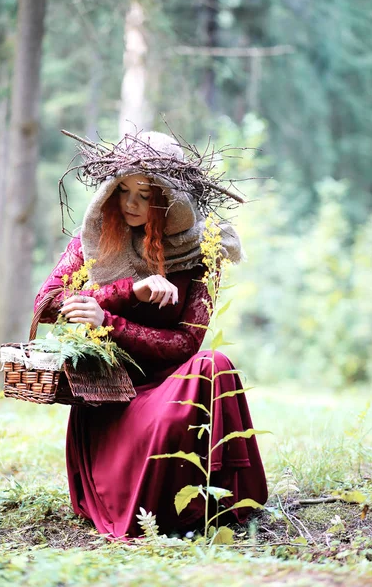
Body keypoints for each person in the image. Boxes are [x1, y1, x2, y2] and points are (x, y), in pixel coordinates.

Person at [35, 131, 268, 540]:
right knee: (205, 370)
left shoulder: (204, 249)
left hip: (174, 389)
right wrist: (122, 293)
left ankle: (215, 502)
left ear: (169, 197)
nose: (130, 204)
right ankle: (156, 503)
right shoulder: (92, 239)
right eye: (122, 190)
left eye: (145, 194)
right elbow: (46, 305)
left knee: (215, 363)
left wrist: (110, 323)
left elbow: (186, 344)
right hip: (112, 394)